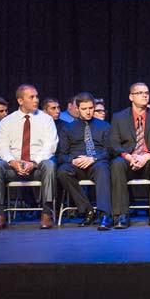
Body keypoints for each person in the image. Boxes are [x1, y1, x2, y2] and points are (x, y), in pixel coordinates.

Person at [0, 84, 58, 230]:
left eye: (37, 97)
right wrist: (13, 162)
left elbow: (50, 146)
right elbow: (1, 146)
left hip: (37, 166)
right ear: (20, 101)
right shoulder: (7, 121)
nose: (36, 100)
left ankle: (46, 213)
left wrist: (33, 163)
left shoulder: (46, 120)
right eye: (31, 97)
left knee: (50, 164)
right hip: (13, 167)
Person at [109, 82, 150, 228]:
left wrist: (146, 156)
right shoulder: (119, 117)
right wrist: (129, 157)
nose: (144, 95)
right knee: (116, 163)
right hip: (129, 160)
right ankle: (122, 215)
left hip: (149, 160)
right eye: (140, 93)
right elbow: (113, 143)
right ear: (131, 97)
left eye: (147, 93)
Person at [56, 92, 114, 230]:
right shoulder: (68, 128)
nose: (88, 112)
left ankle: (105, 215)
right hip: (77, 164)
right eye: (84, 109)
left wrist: (93, 158)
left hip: (97, 162)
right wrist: (73, 160)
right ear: (77, 108)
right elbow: (61, 155)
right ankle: (87, 210)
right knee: (62, 171)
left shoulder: (105, 126)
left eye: (90, 108)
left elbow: (110, 151)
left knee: (103, 169)